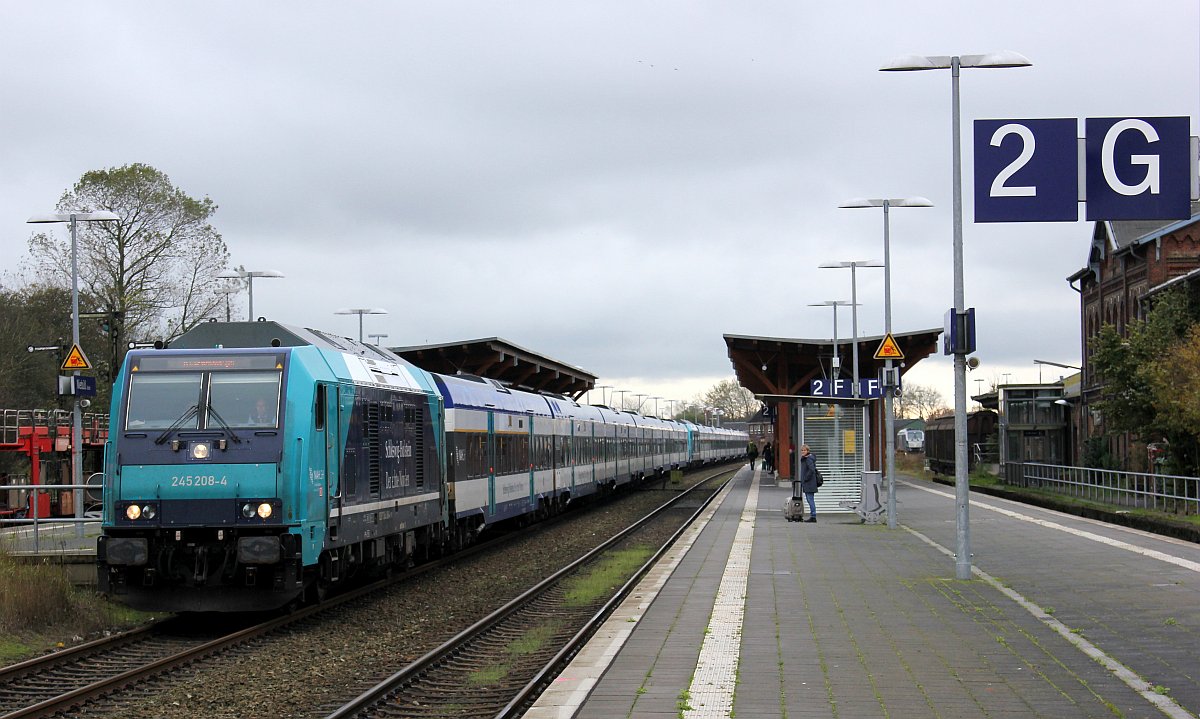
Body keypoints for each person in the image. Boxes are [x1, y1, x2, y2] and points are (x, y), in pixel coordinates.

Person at [799, 444, 819, 523]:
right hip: (808, 483)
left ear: (808, 451)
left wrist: (805, 478)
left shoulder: (808, 459)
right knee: (809, 499)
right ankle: (813, 515)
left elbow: (811, 470)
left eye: (804, 450)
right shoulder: (805, 458)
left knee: (810, 499)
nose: (803, 452)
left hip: (809, 483)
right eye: (802, 450)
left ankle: (813, 516)